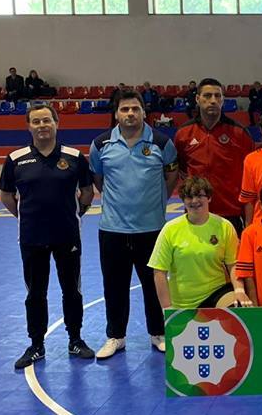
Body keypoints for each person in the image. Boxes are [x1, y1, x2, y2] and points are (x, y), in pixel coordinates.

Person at [0, 104, 96, 369]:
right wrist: (24, 216)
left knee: (71, 291)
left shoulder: (74, 156)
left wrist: (78, 212)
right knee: (35, 294)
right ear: (29, 126)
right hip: (32, 237)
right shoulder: (16, 158)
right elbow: (7, 195)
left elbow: (87, 191)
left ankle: (75, 339)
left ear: (57, 123)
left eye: (47, 120)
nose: (42, 126)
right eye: (36, 121)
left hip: (67, 235)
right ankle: (36, 344)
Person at [89, 91, 179, 359]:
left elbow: (171, 176)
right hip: (113, 230)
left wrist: (156, 203)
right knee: (114, 286)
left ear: (143, 112)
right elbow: (98, 179)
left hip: (151, 229)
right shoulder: (101, 144)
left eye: (135, 109)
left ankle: (158, 333)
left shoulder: (162, 142)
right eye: (125, 109)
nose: (130, 114)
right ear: (116, 113)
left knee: (153, 285)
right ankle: (116, 336)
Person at [149, 176, 250, 310]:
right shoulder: (170, 229)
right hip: (184, 303)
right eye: (189, 197)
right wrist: (167, 308)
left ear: (209, 198)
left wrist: (239, 291)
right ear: (183, 201)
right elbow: (159, 271)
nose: (194, 201)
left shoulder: (224, 226)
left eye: (199, 196)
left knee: (238, 308)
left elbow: (233, 264)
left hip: (217, 292)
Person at [174, 78, 255, 236]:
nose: (213, 101)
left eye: (218, 96)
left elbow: (251, 174)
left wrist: (249, 219)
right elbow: (182, 169)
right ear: (197, 99)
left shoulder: (240, 134)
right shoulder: (183, 133)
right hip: (196, 211)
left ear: (223, 100)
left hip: (231, 213)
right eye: (207, 96)